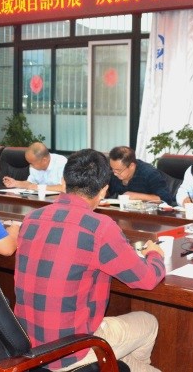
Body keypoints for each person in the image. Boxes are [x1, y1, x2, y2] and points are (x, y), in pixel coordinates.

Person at [14, 149, 165, 372]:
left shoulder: (31, 218)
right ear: (103, 190)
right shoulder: (99, 227)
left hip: (26, 346)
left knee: (130, 362)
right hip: (70, 350)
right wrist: (155, 254)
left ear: (63, 181)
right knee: (148, 323)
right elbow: (147, 279)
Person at [107, 146, 176, 206]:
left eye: (119, 170)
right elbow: (108, 194)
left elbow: (166, 199)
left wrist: (138, 196)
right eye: (112, 169)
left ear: (132, 166)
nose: (115, 173)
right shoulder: (114, 173)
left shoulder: (149, 173)